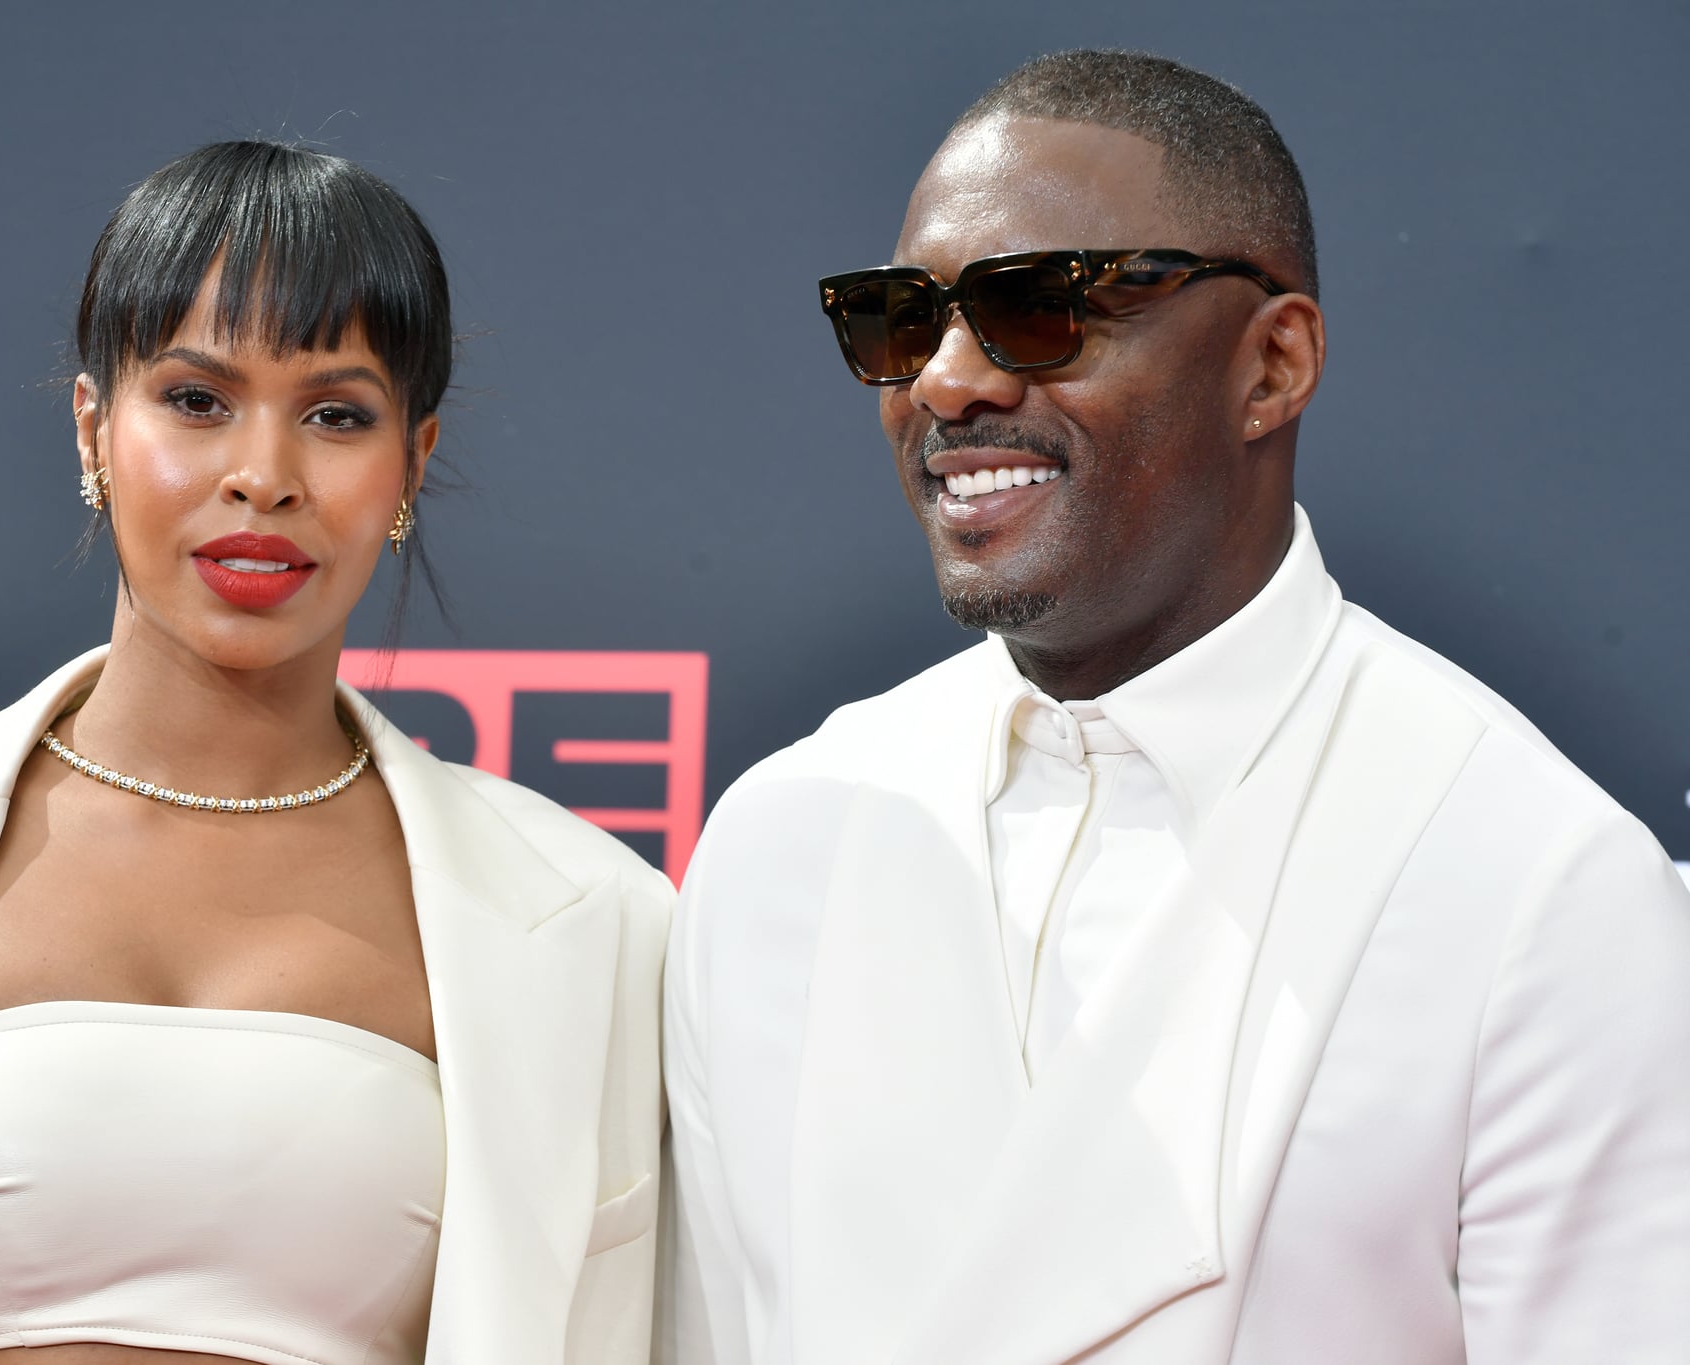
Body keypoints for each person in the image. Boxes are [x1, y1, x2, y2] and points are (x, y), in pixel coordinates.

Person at [660, 50, 1690, 1365]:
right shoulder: (779, 839)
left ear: (1274, 364)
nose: (945, 383)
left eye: (1040, 309)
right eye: (899, 320)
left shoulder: (1537, 886)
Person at [0, 141, 670, 1365]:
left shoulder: (594, 920)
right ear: (92, 429)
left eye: (335, 416)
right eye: (195, 400)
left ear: (415, 462)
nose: (262, 477)